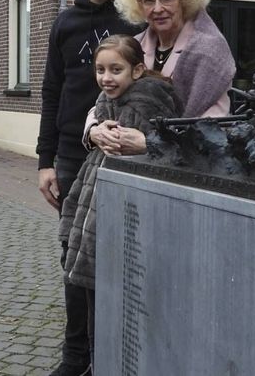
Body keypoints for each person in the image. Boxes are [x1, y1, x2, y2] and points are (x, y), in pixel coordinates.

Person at [37, 0, 142, 376]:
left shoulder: (136, 22)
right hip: (71, 156)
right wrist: (45, 162)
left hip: (120, 156)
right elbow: (50, 92)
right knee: (73, 256)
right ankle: (76, 356)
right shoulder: (65, 22)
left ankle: (113, 351)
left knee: (119, 253)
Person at [59, 35, 181, 363]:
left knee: (114, 298)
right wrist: (94, 130)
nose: (106, 77)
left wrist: (144, 141)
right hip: (97, 202)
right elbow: (97, 124)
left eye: (115, 69)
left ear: (137, 70)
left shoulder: (147, 103)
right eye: (100, 69)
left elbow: (169, 143)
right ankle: (92, 359)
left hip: (123, 206)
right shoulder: (107, 100)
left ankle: (107, 362)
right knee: (94, 295)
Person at [88, 0, 236, 156]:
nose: (157, 9)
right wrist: (94, 130)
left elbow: (215, 126)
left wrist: (153, 143)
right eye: (148, 0)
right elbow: (106, 97)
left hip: (186, 173)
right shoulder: (136, 43)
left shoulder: (209, 50)